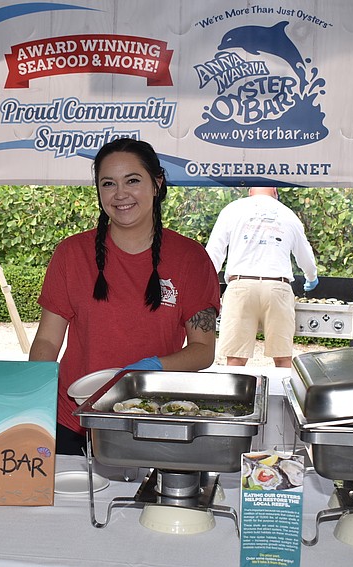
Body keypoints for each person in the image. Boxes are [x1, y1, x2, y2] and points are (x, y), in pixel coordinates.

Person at [28, 138, 221, 455]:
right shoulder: (71, 253)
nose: (120, 194)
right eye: (108, 184)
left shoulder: (191, 258)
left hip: (149, 416)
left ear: (157, 183)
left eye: (132, 180)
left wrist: (151, 367)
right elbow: (48, 340)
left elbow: (202, 351)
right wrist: (32, 394)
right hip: (73, 419)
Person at [205, 186, 318, 368]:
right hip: (277, 288)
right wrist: (311, 276)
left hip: (241, 286)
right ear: (275, 191)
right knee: (283, 357)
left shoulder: (233, 209)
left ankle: (235, 395)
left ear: (250, 192)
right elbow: (305, 255)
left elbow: (213, 253)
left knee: (236, 357)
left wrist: (205, 283)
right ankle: (283, 395)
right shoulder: (288, 215)